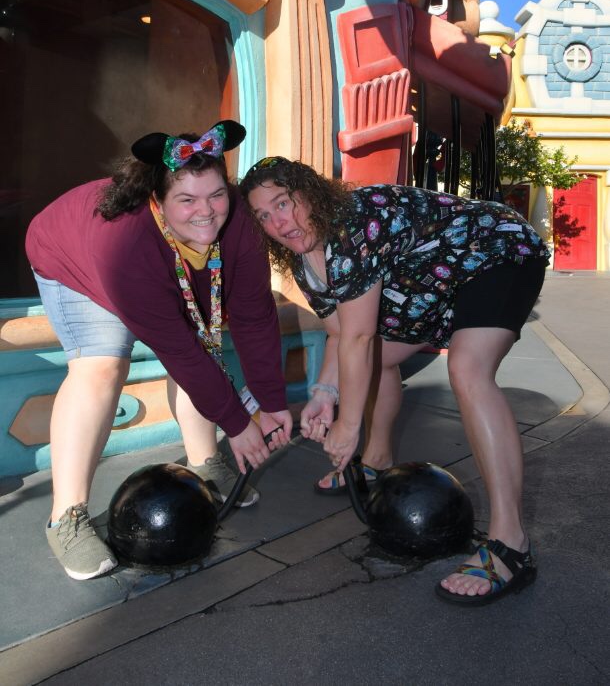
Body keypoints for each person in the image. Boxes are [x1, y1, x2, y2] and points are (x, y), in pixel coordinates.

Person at [241, 157, 548, 606]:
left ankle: (510, 543)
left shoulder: (352, 224)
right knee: (376, 360)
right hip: (436, 280)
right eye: (263, 215)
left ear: (311, 193)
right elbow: (341, 336)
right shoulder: (306, 260)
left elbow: (359, 337)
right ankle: (377, 462)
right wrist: (325, 394)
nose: (277, 222)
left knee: (467, 369)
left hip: (495, 252)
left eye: (283, 203)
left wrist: (347, 426)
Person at [26, 122, 292, 581]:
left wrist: (270, 402)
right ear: (158, 199)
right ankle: (65, 517)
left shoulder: (240, 224)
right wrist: (237, 424)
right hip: (73, 258)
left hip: (165, 263)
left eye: (216, 195)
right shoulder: (126, 243)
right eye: (186, 199)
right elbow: (178, 351)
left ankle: (205, 463)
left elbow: (254, 316)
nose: (206, 212)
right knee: (101, 366)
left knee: (203, 339)